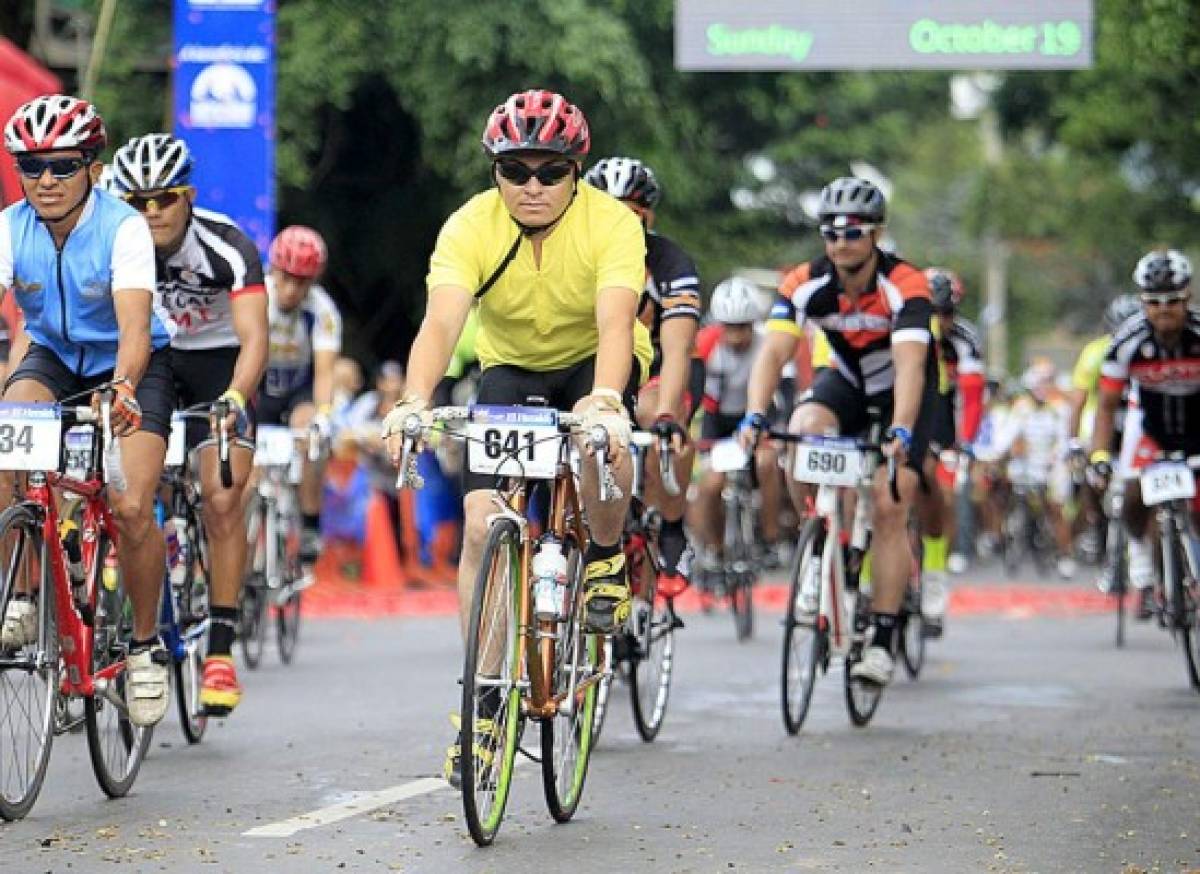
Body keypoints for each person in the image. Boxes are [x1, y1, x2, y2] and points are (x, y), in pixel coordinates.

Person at [381, 89, 651, 786]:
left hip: (594, 358)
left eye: (550, 171)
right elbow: (441, 324)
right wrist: (415, 399)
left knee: (605, 445)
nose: (532, 187)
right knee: (482, 525)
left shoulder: (612, 225)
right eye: (516, 170)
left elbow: (618, 325)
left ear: (575, 170)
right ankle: (486, 702)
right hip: (511, 368)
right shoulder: (470, 225)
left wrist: (606, 400)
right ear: (495, 169)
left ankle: (608, 553)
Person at [0, 95, 175, 726]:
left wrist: (124, 386)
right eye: (31, 165)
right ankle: (22, 595)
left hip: (130, 365)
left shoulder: (123, 227)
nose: (46, 180)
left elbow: (133, 329)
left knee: (130, 505)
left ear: (92, 170)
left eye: (63, 166)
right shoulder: (9, 226)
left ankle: (145, 644)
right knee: (6, 431)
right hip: (54, 355)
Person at [740, 176, 937, 687]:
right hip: (847, 379)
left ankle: (884, 640)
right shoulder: (804, 281)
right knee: (802, 428)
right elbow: (775, 352)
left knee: (892, 504)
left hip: (904, 388)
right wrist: (755, 414)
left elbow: (912, 367)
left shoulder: (905, 283)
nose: (841, 242)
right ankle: (819, 535)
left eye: (853, 232)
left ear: (876, 235)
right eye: (831, 233)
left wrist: (900, 432)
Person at [109, 131, 268, 715]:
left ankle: (221, 648)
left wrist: (233, 396)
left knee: (223, 495)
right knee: (125, 487)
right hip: (150, 360)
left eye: (165, 198)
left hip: (219, 363)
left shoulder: (226, 245)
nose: (151, 212)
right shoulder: (113, 243)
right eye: (136, 202)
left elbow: (255, 339)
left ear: (189, 197)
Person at [584, 156, 701, 594]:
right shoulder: (578, 255)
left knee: (663, 422)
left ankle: (670, 526)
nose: (621, 223)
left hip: (657, 368)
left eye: (632, 214)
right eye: (610, 212)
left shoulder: (670, 261)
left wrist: (670, 414)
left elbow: (677, 348)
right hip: (597, 369)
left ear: (648, 218)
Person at [1091, 249, 1199, 619]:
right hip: (1154, 435)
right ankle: (1152, 573)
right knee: (1132, 501)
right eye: (1153, 302)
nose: (1163, 310)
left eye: (1173, 301)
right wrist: (1100, 456)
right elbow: (1106, 406)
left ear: (1188, 297)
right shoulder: (1126, 341)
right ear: (1143, 301)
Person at [689, 277, 784, 575]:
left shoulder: (767, 343)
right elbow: (694, 391)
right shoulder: (706, 343)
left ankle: (770, 539)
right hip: (719, 422)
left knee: (768, 464)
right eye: (729, 327)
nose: (736, 335)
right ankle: (715, 549)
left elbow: (787, 391)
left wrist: (779, 433)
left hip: (759, 419)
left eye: (743, 327)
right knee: (710, 484)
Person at [259, 225, 342, 560]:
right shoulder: (258, 297)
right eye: (286, 277)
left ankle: (309, 521)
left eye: (302, 281)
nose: (292, 289)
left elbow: (325, 373)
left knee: (312, 433)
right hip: (260, 384)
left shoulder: (322, 311)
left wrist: (323, 415)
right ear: (273, 270)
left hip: (298, 388)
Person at [994, 360, 1076, 578]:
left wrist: (1055, 458)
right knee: (1007, 487)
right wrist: (995, 457)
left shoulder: (1059, 408)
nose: (1042, 389)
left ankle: (1065, 555)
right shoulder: (1021, 408)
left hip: (1052, 463)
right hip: (1027, 463)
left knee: (1055, 507)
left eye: (1046, 383)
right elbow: (1006, 437)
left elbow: (1064, 440)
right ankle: (1009, 536)